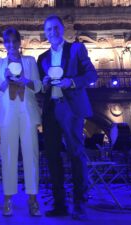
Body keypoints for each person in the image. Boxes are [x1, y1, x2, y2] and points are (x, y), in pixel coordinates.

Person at [37, 15, 97, 220]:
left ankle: (80, 202)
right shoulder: (42, 58)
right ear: (44, 33)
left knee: (75, 153)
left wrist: (70, 82)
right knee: (52, 157)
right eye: (48, 29)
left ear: (62, 29)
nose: (51, 32)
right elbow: (41, 87)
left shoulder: (76, 49)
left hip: (71, 108)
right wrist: (44, 83)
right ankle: (60, 203)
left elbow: (91, 75)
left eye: (55, 28)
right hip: (51, 110)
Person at [0, 27, 42, 216]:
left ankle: (32, 199)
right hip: (8, 114)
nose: (11, 45)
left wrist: (26, 81)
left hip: (28, 113)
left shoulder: (30, 61)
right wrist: (5, 81)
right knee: (8, 156)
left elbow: (37, 87)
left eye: (14, 41)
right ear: (4, 44)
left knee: (32, 156)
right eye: (8, 42)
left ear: (19, 42)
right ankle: (8, 199)